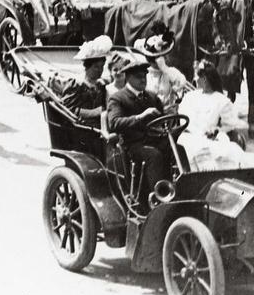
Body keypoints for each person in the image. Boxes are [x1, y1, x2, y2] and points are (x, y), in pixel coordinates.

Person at [106, 52, 173, 209]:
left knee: (178, 149)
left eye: (145, 76)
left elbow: (162, 118)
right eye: (138, 77)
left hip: (155, 139)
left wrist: (170, 116)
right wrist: (141, 116)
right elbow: (114, 123)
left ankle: (176, 191)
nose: (143, 80)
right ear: (128, 78)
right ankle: (158, 199)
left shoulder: (151, 97)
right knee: (154, 155)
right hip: (132, 145)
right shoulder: (118, 98)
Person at [178, 61, 254, 170]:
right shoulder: (190, 97)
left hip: (211, 139)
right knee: (197, 152)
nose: (196, 80)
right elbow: (183, 119)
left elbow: (230, 124)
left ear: (204, 79)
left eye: (198, 77)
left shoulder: (221, 99)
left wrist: (217, 130)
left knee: (230, 152)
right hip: (189, 138)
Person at [56, 36, 112, 124]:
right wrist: (93, 112)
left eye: (101, 66)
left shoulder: (101, 84)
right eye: (96, 67)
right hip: (81, 126)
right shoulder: (77, 84)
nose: (100, 70)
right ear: (87, 67)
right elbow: (67, 108)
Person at [135, 30, 194, 112]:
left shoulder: (170, 72)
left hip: (169, 116)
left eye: (164, 56)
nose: (166, 58)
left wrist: (164, 69)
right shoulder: (143, 74)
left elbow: (181, 84)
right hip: (148, 116)